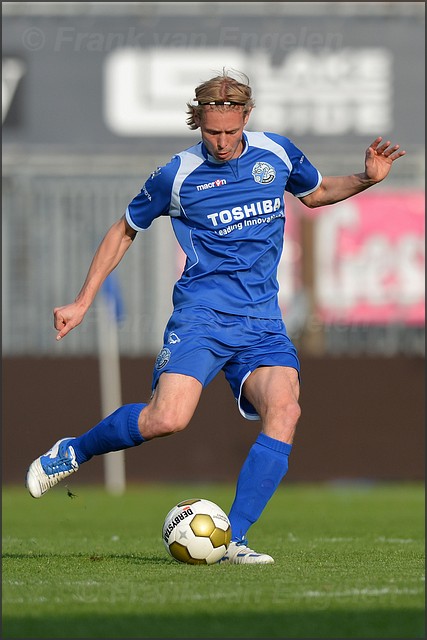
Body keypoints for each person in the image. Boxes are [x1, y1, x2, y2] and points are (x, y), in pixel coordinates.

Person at [26, 69, 406, 564]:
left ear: (246, 117)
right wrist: (81, 301)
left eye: (230, 131)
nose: (222, 142)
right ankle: (74, 451)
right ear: (197, 122)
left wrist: (364, 179)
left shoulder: (277, 153)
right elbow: (124, 229)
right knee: (167, 419)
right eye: (211, 132)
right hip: (202, 317)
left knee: (285, 409)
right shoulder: (177, 175)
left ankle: (237, 539)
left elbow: (315, 193)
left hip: (262, 324)